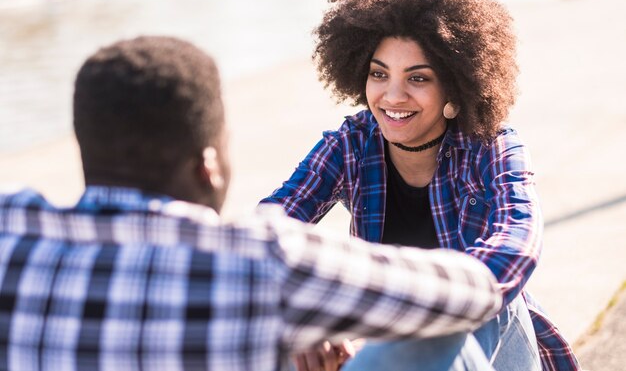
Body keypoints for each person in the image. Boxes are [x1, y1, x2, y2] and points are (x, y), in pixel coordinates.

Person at [0, 36, 503, 371]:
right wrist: (316, 317)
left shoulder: (10, 236)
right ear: (210, 165)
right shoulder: (261, 261)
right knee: (438, 337)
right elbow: (473, 293)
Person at [261, 0, 580, 371]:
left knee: (477, 294)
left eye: (418, 78)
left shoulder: (492, 146)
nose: (392, 96)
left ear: (456, 83)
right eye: (379, 73)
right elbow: (270, 228)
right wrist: (308, 319)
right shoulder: (353, 143)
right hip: (390, 351)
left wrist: (406, 308)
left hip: (492, 348)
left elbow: (517, 245)